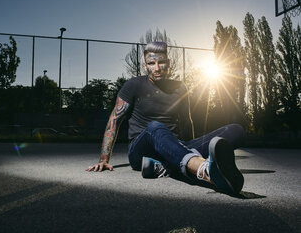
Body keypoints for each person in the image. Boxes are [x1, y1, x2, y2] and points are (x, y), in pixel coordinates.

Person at [86, 41, 245, 194]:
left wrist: (190, 147)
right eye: (151, 64)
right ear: (145, 65)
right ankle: (204, 170)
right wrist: (104, 159)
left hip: (175, 145)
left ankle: (166, 166)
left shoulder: (180, 87)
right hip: (141, 151)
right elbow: (114, 119)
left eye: (161, 62)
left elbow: (186, 122)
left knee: (235, 130)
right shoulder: (133, 85)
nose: (156, 68)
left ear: (168, 62)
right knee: (155, 126)